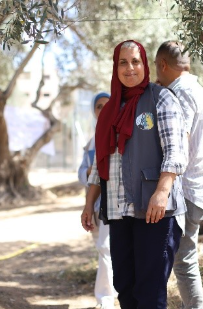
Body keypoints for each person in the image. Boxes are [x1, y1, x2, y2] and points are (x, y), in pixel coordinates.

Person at [81, 40, 188, 309]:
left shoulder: (160, 99)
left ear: (145, 65)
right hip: (118, 212)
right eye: (123, 62)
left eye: (136, 61)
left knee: (150, 291)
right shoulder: (108, 111)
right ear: (116, 67)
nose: (130, 68)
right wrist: (88, 203)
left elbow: (175, 152)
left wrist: (162, 193)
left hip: (153, 210)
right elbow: (102, 163)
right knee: (125, 287)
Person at [154, 41, 203, 309]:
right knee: (182, 259)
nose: (157, 76)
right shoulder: (196, 89)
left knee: (183, 261)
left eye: (157, 68)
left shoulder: (180, 92)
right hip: (196, 188)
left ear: (163, 65)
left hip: (185, 190)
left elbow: (181, 140)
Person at [78, 92, 117, 309]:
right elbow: (82, 172)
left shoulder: (119, 130)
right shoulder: (91, 141)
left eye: (107, 105)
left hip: (116, 202)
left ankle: (106, 299)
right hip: (96, 203)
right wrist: (90, 171)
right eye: (99, 106)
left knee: (106, 248)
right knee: (103, 248)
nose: (103, 110)